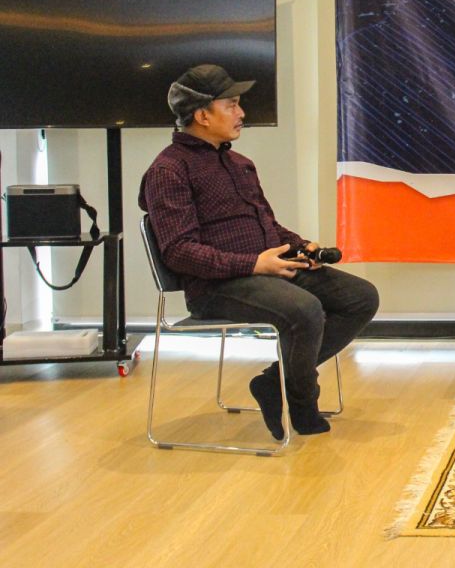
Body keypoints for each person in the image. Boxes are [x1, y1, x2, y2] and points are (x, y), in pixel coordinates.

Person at [139, 64, 379, 439]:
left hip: (266, 271)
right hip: (215, 288)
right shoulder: (168, 170)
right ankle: (302, 402)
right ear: (202, 115)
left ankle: (273, 382)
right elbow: (179, 252)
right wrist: (253, 264)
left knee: (360, 297)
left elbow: (268, 225)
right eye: (231, 105)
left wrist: (300, 246)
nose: (241, 113)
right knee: (304, 310)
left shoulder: (240, 164)